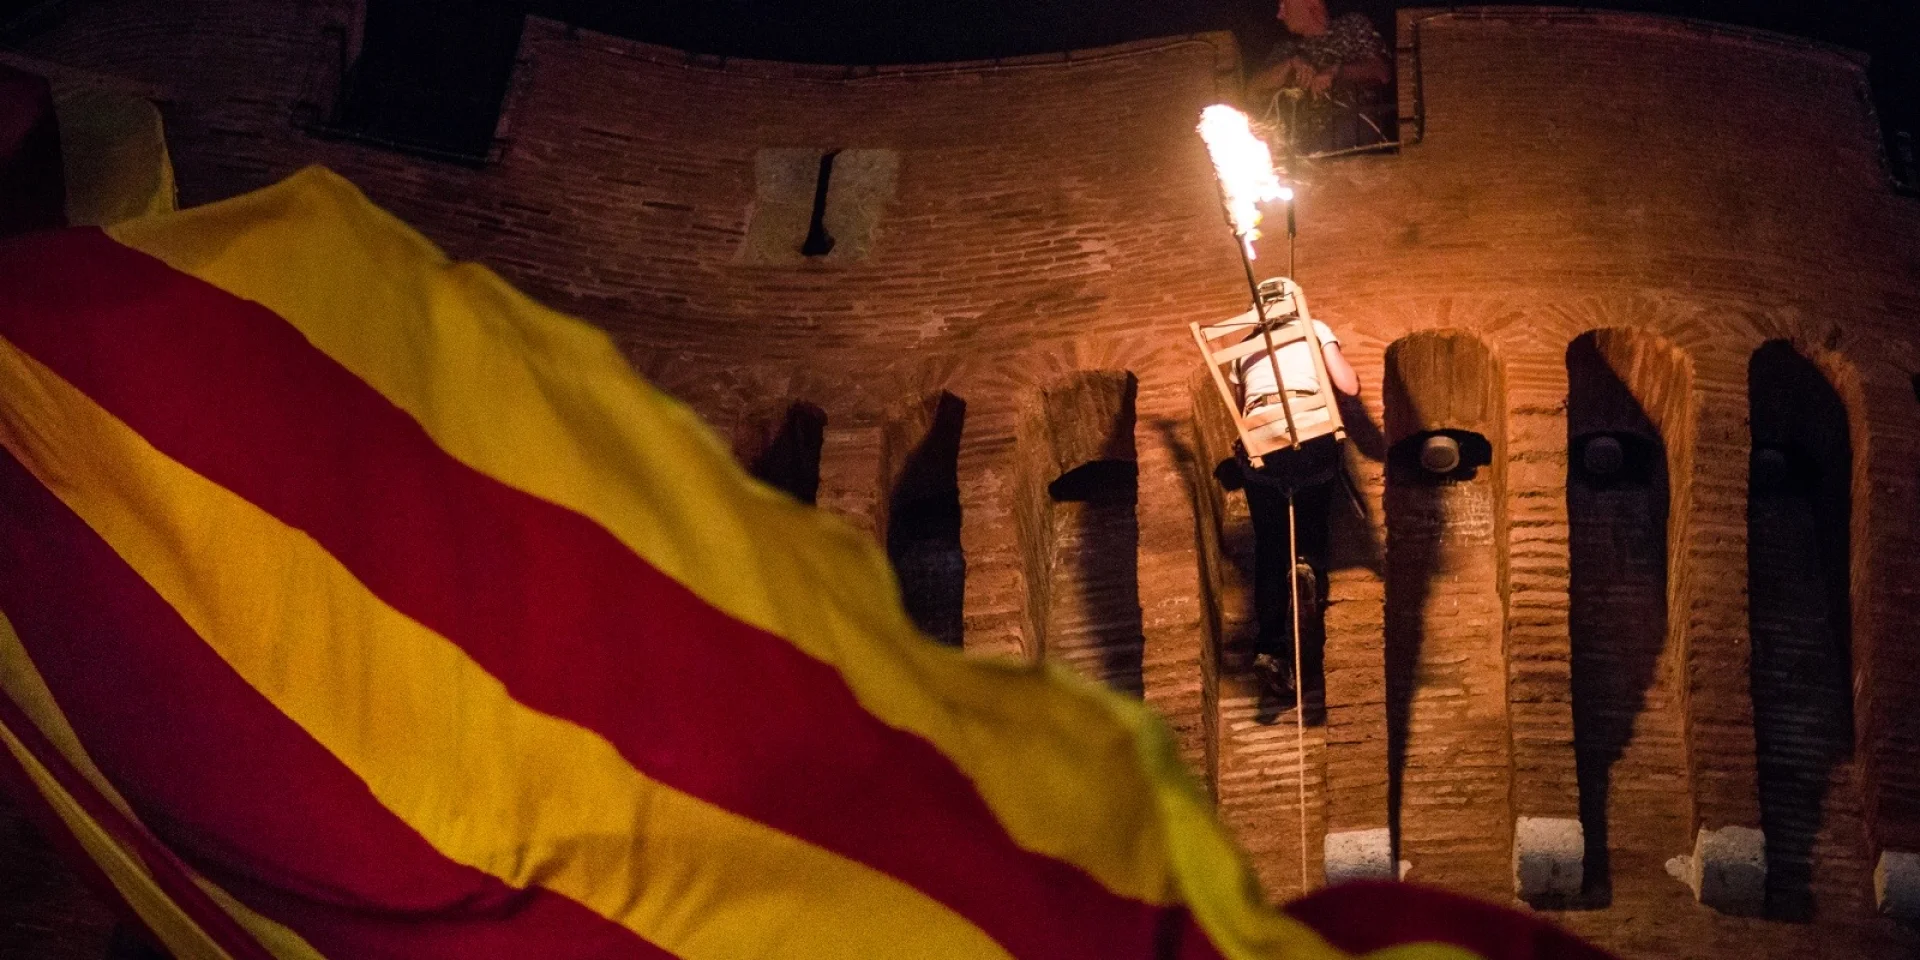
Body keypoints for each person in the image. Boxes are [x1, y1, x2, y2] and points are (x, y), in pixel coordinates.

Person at [1226, 278, 1360, 701]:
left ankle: (1269, 647)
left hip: (1261, 452)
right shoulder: (1313, 327)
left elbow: (1239, 409)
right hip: (1312, 445)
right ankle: (1309, 567)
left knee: (1268, 543)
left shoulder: (1241, 349)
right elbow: (1349, 386)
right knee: (1316, 503)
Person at [1246, 0, 1393, 155]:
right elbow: (1252, 90)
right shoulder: (1287, 49)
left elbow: (1381, 72)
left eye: (1284, 5)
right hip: (1300, 138)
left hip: (1353, 125)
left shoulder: (1352, 27)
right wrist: (1289, 65)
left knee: (1315, 149)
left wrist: (1336, 73)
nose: (1279, 15)